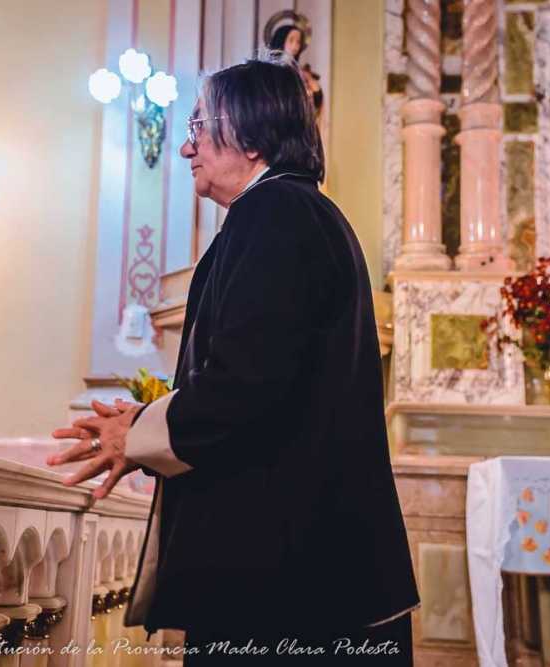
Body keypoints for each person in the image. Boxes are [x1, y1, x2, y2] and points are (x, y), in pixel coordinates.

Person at [48, 54, 419, 664]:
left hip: (290, 584)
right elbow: (269, 378)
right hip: (309, 573)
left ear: (249, 138)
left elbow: (246, 384)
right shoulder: (296, 214)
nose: (185, 148)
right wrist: (145, 423)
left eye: (198, 126)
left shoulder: (276, 214)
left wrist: (137, 432)